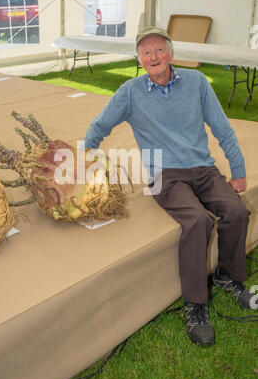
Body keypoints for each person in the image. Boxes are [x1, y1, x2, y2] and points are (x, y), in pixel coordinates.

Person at [82, 26, 257, 346]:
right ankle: (196, 304)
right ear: (139, 59)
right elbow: (101, 125)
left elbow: (223, 129)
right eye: (146, 52)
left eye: (159, 50)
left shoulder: (197, 83)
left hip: (203, 168)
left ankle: (228, 278)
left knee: (236, 211)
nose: (154, 56)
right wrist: (83, 156)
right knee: (197, 220)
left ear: (171, 54)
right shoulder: (130, 92)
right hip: (165, 174)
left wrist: (238, 170)